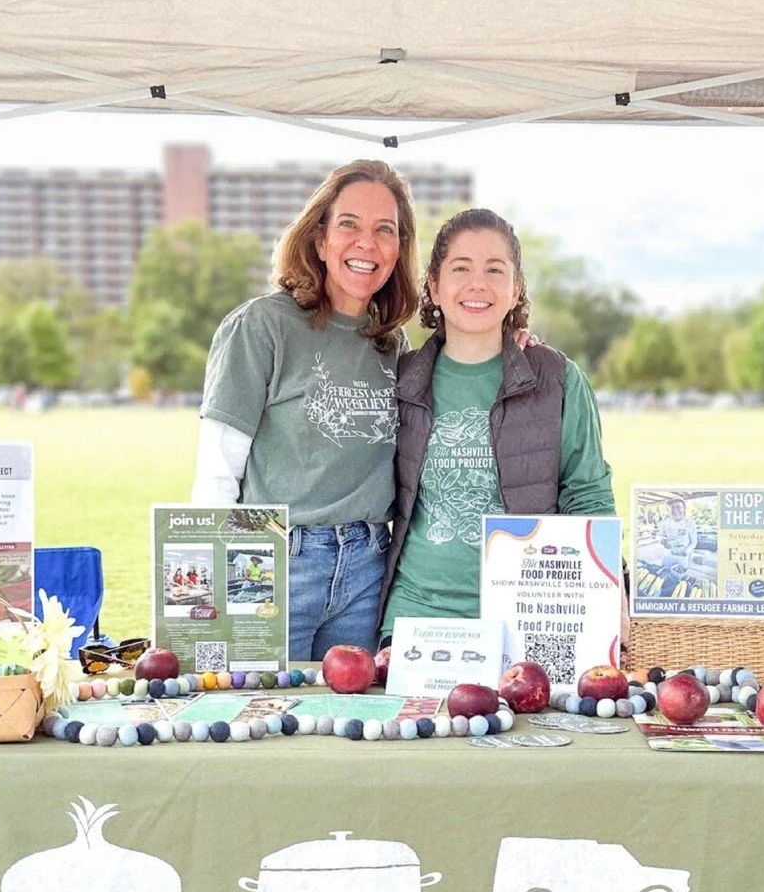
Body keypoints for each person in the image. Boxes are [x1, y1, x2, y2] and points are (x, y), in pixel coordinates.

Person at [191, 160, 420, 659]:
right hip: (275, 562)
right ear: (319, 239)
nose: (367, 243)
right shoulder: (261, 326)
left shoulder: (391, 343)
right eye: (349, 224)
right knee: (258, 701)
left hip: (367, 568)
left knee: (351, 708)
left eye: (385, 230)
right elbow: (217, 471)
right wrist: (213, 589)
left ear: (398, 248)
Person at [378, 208, 615, 633]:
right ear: (434, 285)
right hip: (415, 618)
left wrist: (615, 598)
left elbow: (589, 497)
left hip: (527, 616)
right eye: (461, 268)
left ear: (515, 288)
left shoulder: (558, 379)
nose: (478, 284)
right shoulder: (400, 379)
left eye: (494, 270)